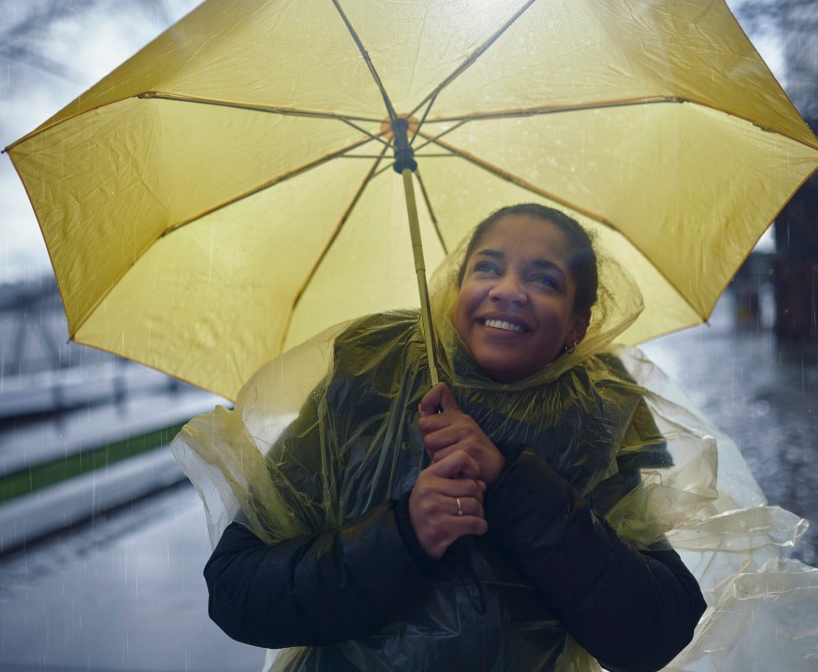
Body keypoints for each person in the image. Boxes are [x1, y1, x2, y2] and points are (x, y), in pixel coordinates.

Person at [176, 204, 709, 671]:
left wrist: (511, 484)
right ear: (457, 290)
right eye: (488, 268)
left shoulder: (599, 418)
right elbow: (239, 590)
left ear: (578, 326)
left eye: (544, 280)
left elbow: (655, 634)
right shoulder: (370, 378)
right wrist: (404, 534)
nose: (507, 291)